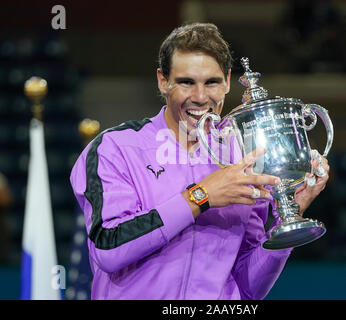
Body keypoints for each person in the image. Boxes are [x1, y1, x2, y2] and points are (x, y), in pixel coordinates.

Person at [70, 23, 330, 300]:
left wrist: (286, 226)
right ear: (162, 81)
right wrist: (200, 197)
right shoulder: (115, 147)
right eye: (186, 82)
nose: (200, 97)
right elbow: (109, 249)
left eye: (212, 82)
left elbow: (248, 287)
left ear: (228, 81)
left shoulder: (243, 155)